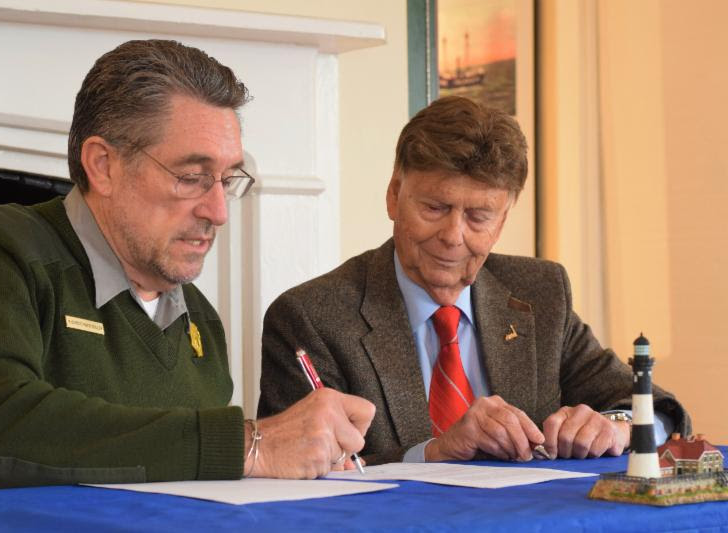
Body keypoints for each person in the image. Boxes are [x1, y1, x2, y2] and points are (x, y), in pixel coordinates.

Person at [0, 39, 374, 492]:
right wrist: (251, 444)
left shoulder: (199, 318)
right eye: (191, 177)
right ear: (103, 165)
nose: (218, 211)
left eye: (226, 179)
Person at [258, 95, 690, 465]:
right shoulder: (312, 317)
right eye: (434, 208)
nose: (452, 236)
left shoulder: (540, 293)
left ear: (501, 222)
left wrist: (616, 427)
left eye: (478, 217)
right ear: (394, 195)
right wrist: (433, 452)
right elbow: (299, 466)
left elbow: (659, 410)